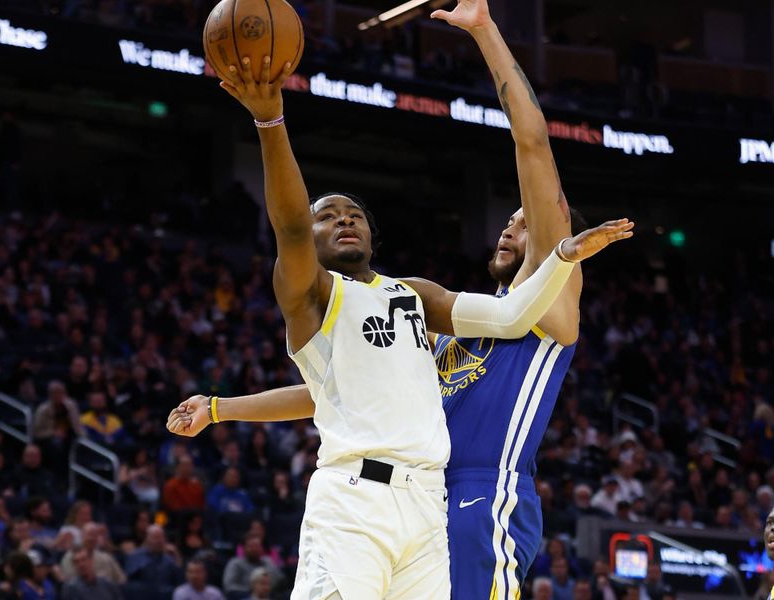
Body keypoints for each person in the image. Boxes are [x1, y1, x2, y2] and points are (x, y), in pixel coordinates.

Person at [172, 14, 631, 600]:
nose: (508, 229)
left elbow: (532, 144)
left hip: (482, 492)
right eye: (509, 221)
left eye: (524, 225)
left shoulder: (548, 303)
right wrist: (219, 408)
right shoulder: (429, 323)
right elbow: (333, 390)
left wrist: (484, 29)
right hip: (412, 498)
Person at [222, 533, 285, 599]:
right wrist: (252, 590)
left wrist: (266, 587)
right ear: (244, 548)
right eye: (251, 546)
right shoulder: (235, 563)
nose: (255, 549)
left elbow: (280, 579)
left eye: (257, 546)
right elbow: (229, 586)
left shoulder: (267, 561)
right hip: (244, 595)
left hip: (269, 594)